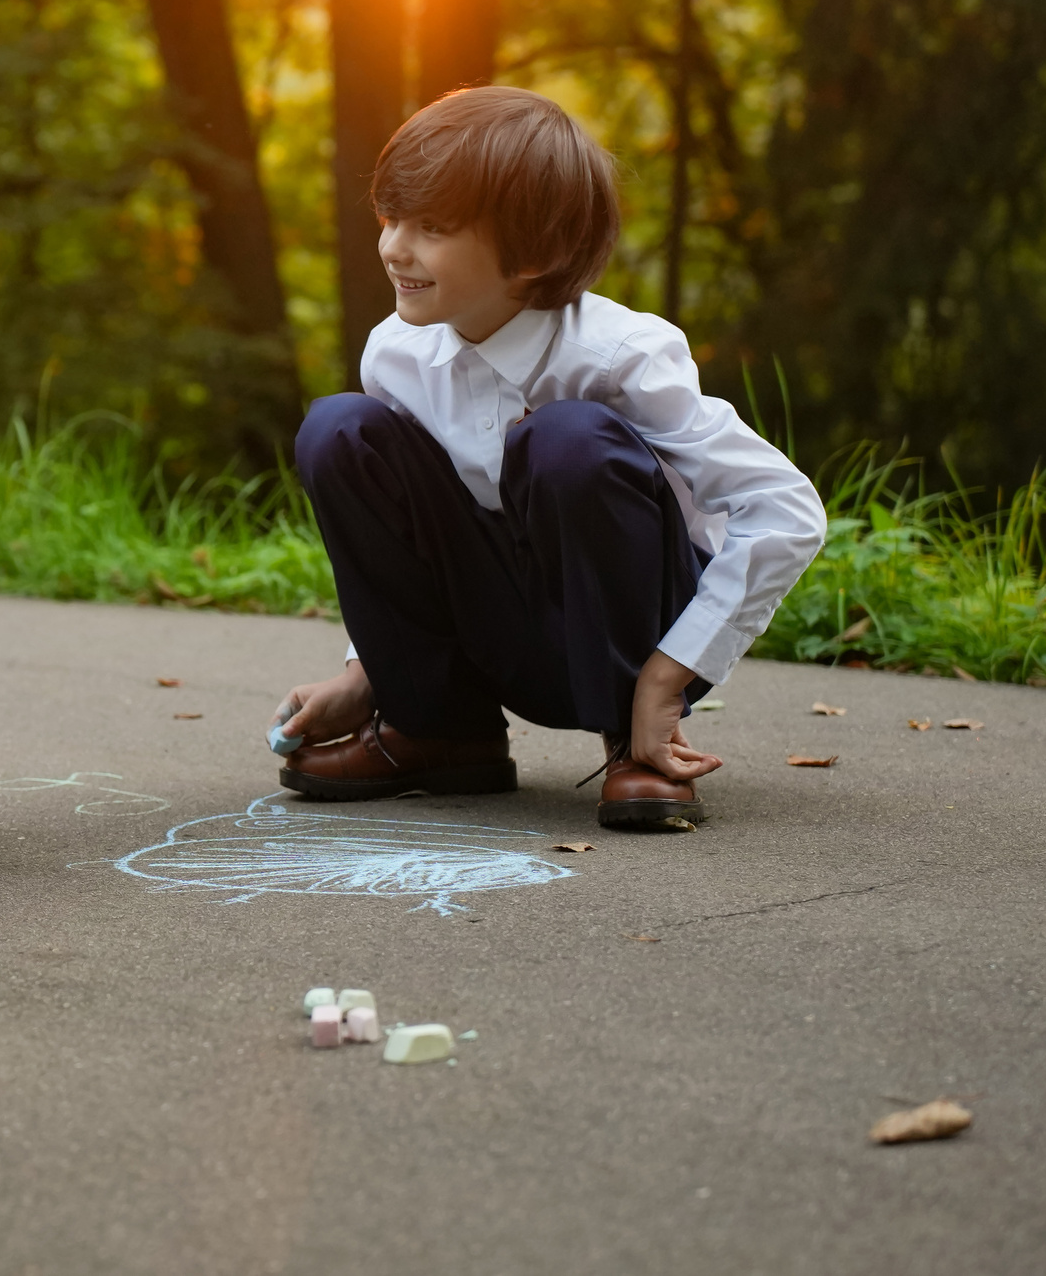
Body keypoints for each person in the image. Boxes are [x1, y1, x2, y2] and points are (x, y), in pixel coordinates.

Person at [271, 86, 826, 829]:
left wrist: (670, 674)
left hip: (628, 638)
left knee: (565, 440)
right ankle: (439, 729)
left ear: (535, 252)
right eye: (391, 216)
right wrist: (370, 671)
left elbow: (786, 509)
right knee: (339, 429)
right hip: (497, 630)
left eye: (432, 226)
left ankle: (635, 743)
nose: (395, 246)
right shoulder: (397, 353)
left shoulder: (621, 354)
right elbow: (416, 531)